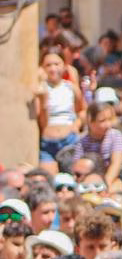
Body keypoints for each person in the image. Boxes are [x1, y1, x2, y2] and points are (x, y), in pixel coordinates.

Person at [36, 44, 85, 173]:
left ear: (64, 66)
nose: (53, 69)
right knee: (50, 179)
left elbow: (83, 111)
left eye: (57, 64)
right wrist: (43, 98)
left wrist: (76, 125)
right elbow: (42, 122)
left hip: (69, 140)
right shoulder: (40, 90)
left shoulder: (71, 88)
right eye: (48, 65)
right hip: (48, 143)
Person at [71, 102, 122, 189]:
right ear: (90, 121)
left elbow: (116, 163)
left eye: (109, 120)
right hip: (89, 180)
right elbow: (77, 166)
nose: (108, 124)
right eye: (102, 121)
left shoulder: (115, 136)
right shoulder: (82, 141)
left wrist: (106, 184)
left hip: (113, 179)